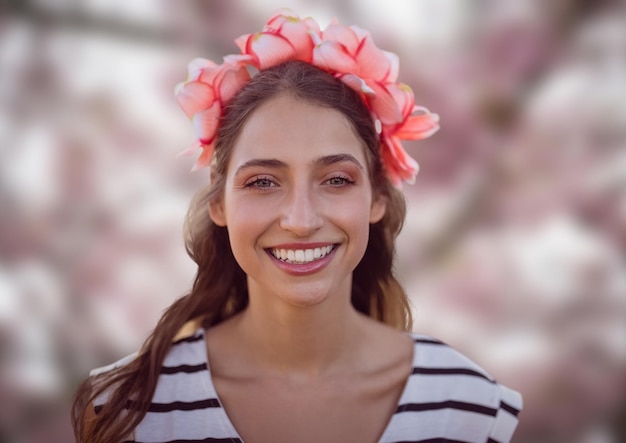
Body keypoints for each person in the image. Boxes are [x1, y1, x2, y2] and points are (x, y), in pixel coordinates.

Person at [72, 10, 522, 443]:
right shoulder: (126, 410)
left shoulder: (469, 407)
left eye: (337, 180)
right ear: (219, 200)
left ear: (378, 196)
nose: (301, 221)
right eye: (263, 182)